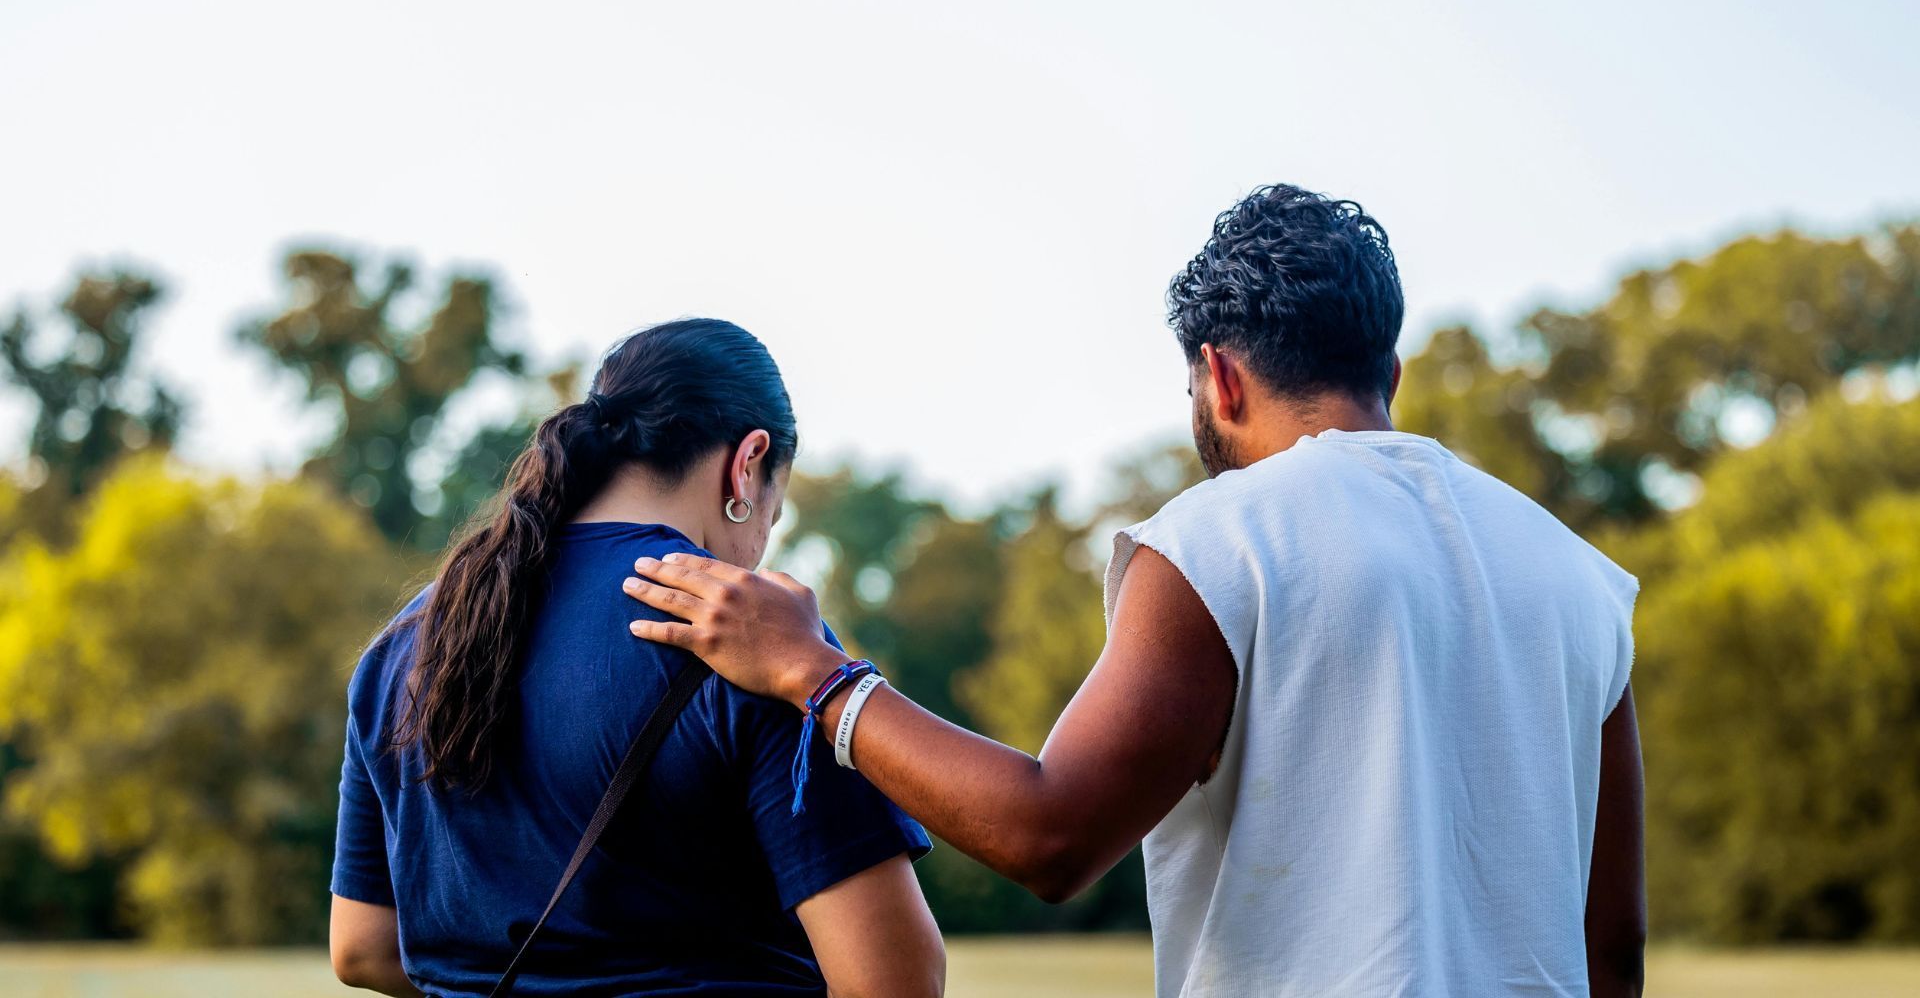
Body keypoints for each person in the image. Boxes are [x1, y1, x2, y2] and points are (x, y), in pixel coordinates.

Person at [621, 187, 1647, 997]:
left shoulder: (1226, 539)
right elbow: (1617, 951)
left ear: (1219, 377)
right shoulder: (1580, 579)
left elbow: (1052, 836)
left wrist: (819, 674)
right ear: (1387, 364)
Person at [329, 319, 944, 998]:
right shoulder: (754, 641)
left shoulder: (407, 642)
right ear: (747, 463)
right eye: (776, 504)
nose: (765, 537)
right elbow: (895, 981)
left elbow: (361, 950)